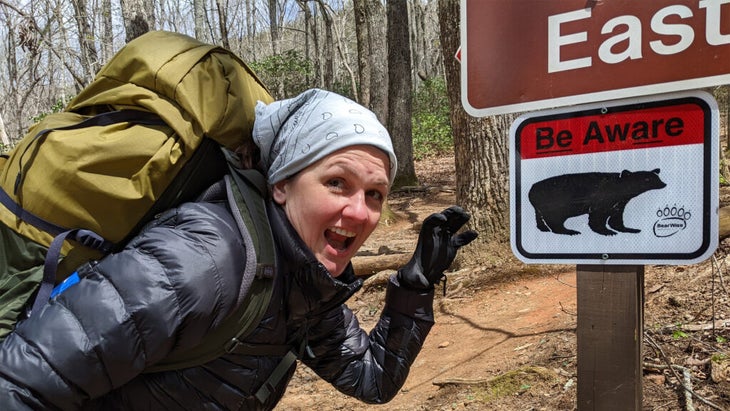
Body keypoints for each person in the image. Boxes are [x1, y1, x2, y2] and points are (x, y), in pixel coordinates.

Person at [0, 88, 477, 410]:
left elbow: (372, 380)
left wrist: (415, 286)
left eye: (374, 194)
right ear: (281, 185)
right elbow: (19, 382)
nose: (360, 212)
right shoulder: (200, 262)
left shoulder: (304, 281)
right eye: (337, 183)